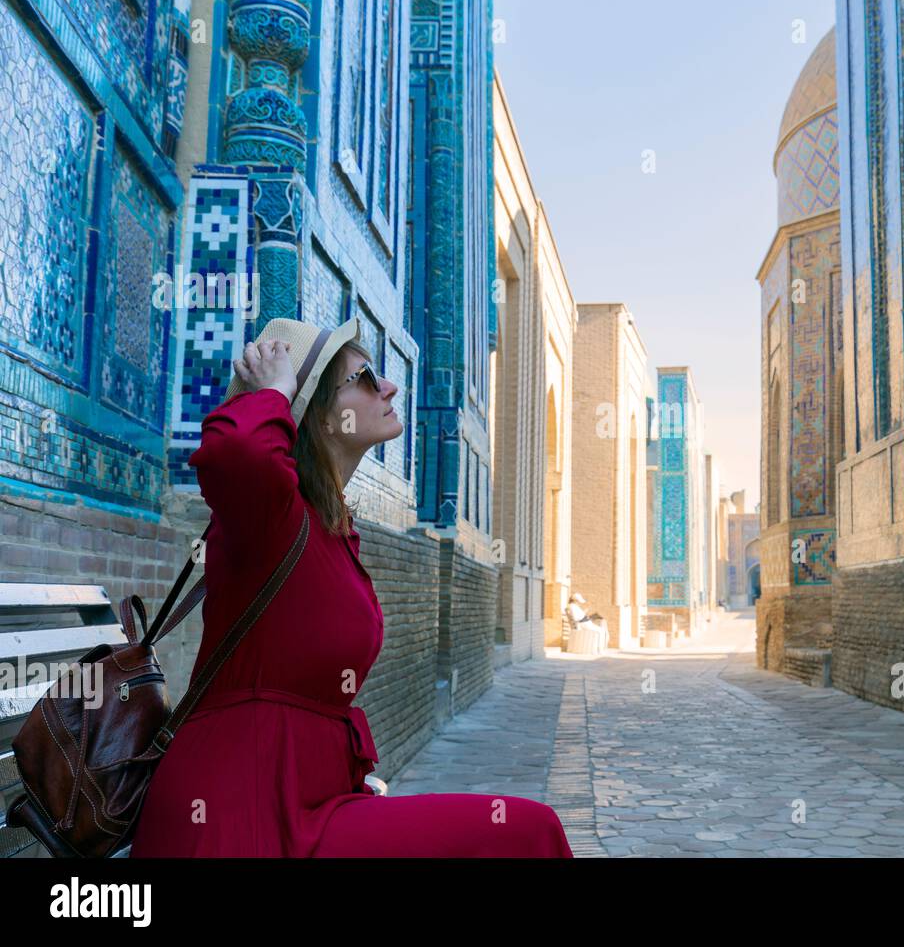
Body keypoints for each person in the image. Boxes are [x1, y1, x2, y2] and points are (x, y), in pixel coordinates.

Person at [130, 316, 573, 857]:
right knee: (522, 835)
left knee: (524, 832)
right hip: (237, 818)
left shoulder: (330, 527)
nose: (388, 387)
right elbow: (234, 452)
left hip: (312, 806)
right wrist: (272, 393)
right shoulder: (270, 517)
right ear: (318, 414)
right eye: (364, 378)